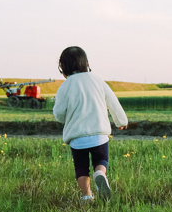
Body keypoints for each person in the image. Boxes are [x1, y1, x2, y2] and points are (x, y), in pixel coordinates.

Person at [52, 46, 128, 201]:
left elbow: (59, 114)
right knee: (100, 160)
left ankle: (87, 195)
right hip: (99, 135)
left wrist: (65, 118)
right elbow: (113, 102)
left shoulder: (65, 87)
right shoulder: (97, 80)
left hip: (78, 138)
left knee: (81, 168)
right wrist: (121, 121)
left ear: (62, 67)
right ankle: (100, 173)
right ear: (86, 63)